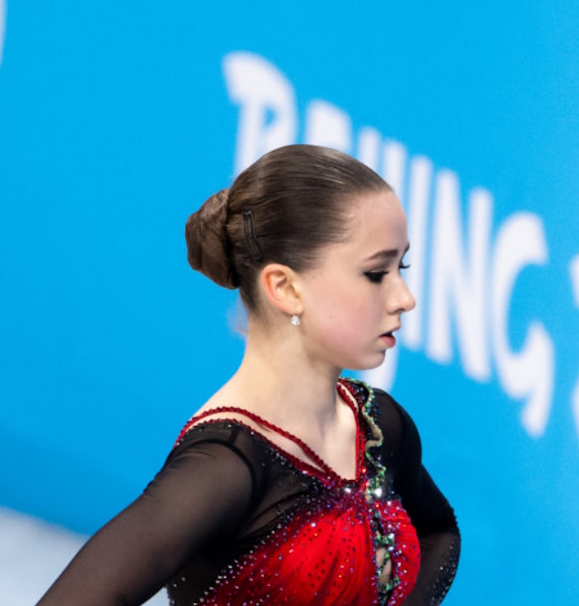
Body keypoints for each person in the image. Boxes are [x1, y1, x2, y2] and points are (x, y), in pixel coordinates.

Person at [36, 145, 460, 606]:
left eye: (402, 267)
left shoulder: (378, 426)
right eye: (376, 273)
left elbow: (440, 532)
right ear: (285, 287)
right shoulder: (226, 466)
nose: (405, 298)